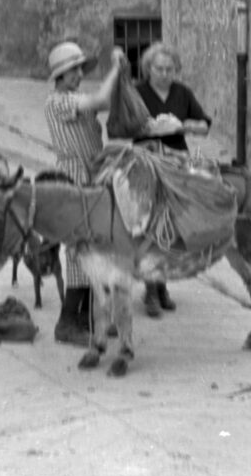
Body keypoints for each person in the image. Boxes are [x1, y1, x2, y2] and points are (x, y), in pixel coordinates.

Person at [44, 41, 124, 345]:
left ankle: (90, 317)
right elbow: (102, 99)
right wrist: (116, 68)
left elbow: (103, 101)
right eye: (72, 70)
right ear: (59, 77)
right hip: (75, 175)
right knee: (80, 248)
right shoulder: (57, 102)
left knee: (95, 245)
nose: (78, 74)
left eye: (79, 69)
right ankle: (68, 322)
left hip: (92, 173)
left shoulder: (75, 96)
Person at [133, 42, 212, 318]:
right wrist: (147, 127)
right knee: (152, 224)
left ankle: (162, 284)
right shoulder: (137, 92)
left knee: (173, 226)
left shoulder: (182, 93)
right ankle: (151, 289)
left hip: (177, 163)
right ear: (148, 69)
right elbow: (121, 125)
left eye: (170, 69)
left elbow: (203, 124)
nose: (164, 74)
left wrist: (186, 125)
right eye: (159, 69)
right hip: (148, 162)